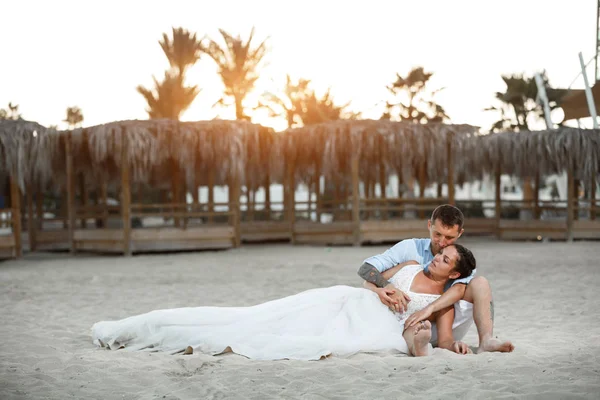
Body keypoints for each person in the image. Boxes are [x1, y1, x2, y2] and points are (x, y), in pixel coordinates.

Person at [91, 244, 476, 360]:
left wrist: (453, 342)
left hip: (378, 325)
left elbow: (445, 338)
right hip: (350, 300)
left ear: (455, 274)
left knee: (314, 337)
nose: (436, 257)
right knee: (268, 315)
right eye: (439, 253)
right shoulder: (410, 264)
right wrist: (381, 289)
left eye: (444, 259)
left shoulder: (445, 299)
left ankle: (415, 347)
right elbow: (371, 280)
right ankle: (150, 324)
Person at [358, 204, 513, 354]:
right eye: (437, 234)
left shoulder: (461, 262)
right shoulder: (409, 249)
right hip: (403, 316)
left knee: (481, 283)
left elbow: (459, 289)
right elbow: (366, 269)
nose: (441, 242)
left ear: (460, 234)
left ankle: (486, 340)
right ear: (429, 225)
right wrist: (386, 287)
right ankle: (420, 342)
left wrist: (428, 310)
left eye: (449, 237)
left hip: (441, 318)